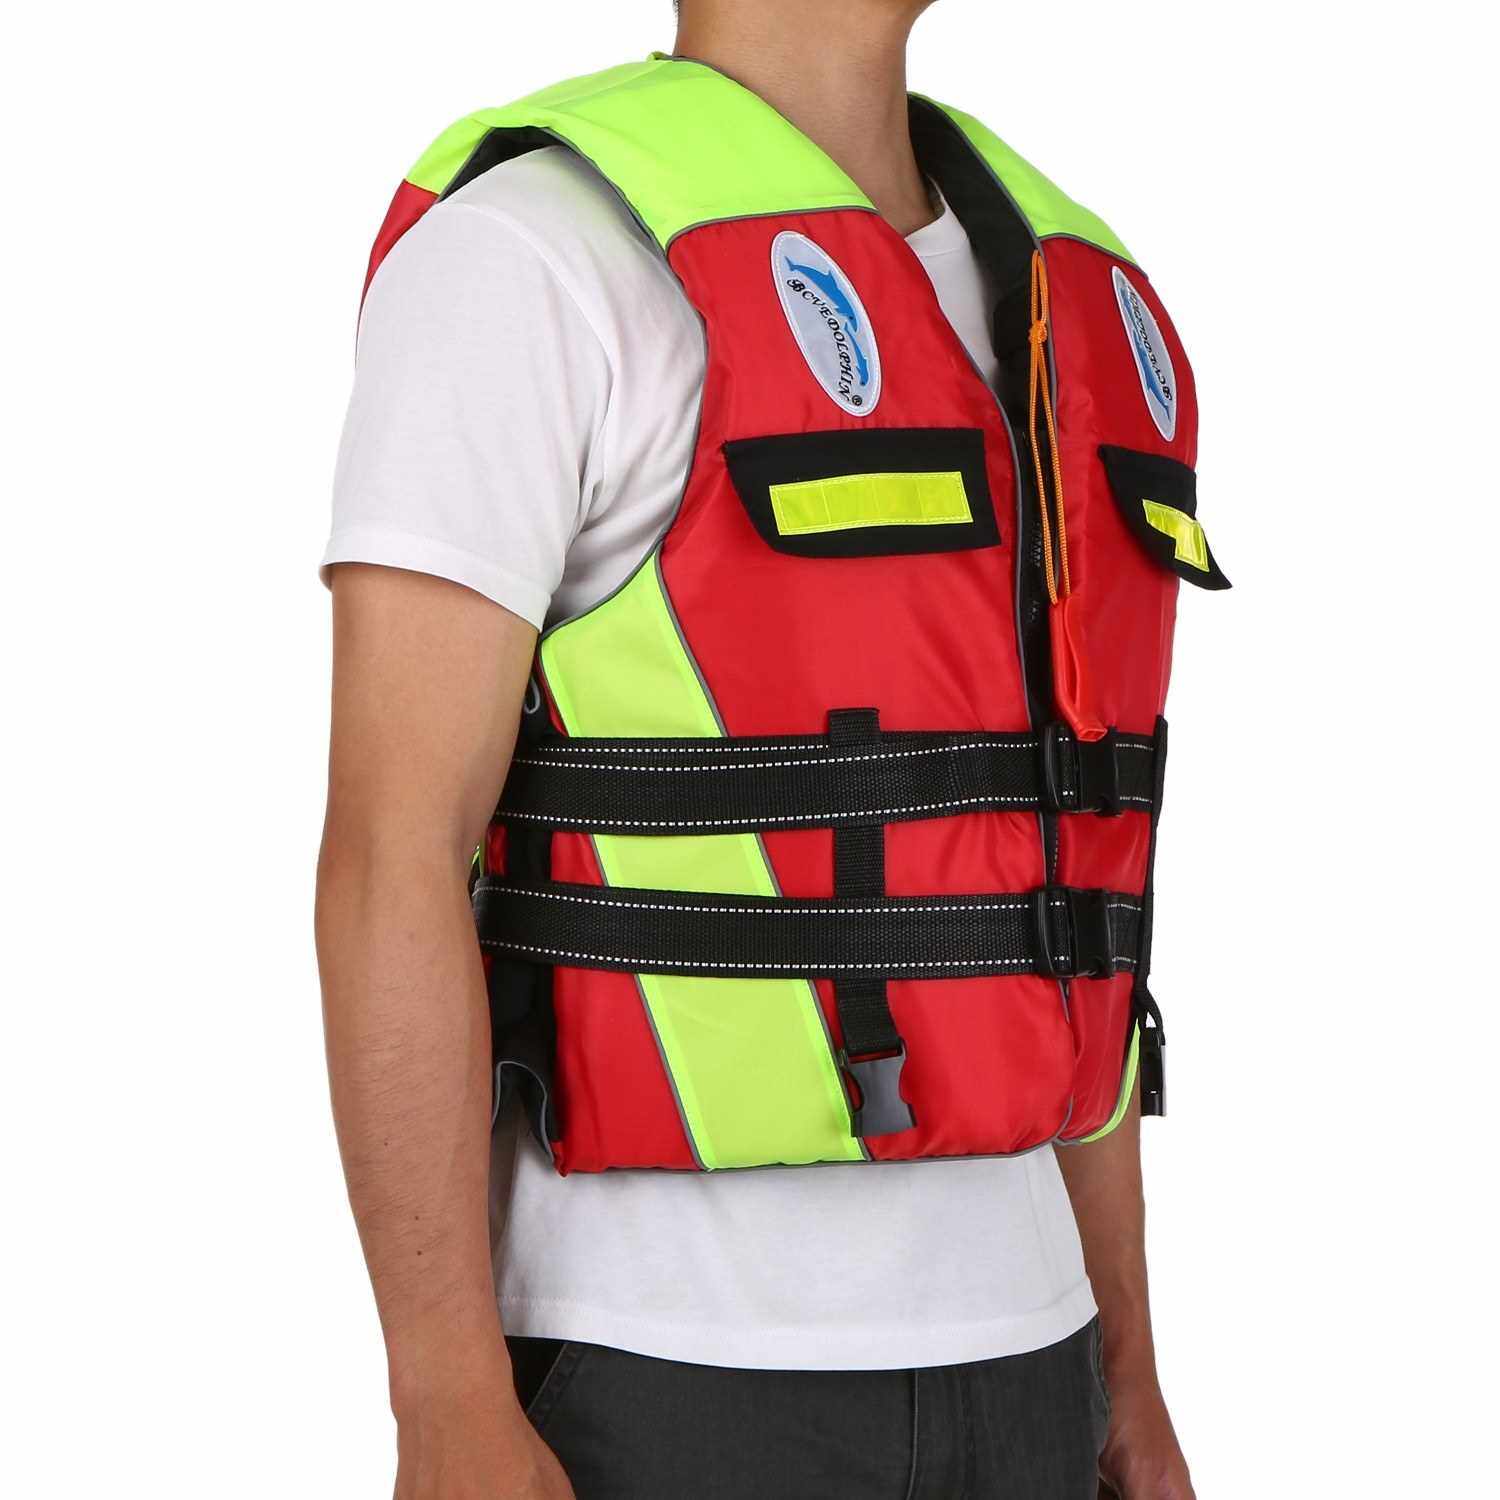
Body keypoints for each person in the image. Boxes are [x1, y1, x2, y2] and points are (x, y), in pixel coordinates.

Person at [316, 3, 1199, 1496]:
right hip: (661, 1373)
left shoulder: (1062, 287)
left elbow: (1056, 892)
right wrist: (443, 1391)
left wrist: (1131, 1369)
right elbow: (389, 859)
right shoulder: (529, 257)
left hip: (1036, 1366)